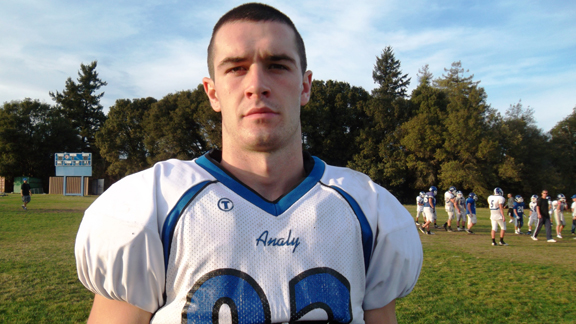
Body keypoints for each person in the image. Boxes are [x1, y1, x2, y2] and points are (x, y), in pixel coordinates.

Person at [74, 3, 423, 323]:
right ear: (212, 92)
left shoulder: (368, 207)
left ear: (305, 86)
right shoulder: (153, 204)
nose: (257, 85)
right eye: (237, 68)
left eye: (277, 66)